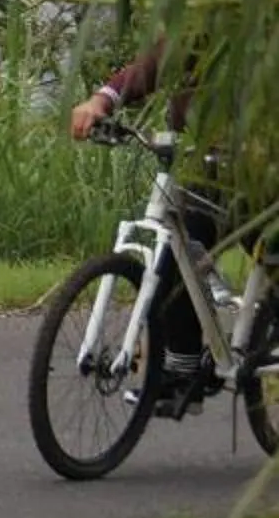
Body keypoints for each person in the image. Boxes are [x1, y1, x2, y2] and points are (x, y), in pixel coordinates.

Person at [68, 31, 245, 416]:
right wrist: (100, 101)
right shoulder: (201, 25)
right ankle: (181, 371)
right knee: (174, 247)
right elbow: (152, 66)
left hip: (260, 169)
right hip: (207, 165)